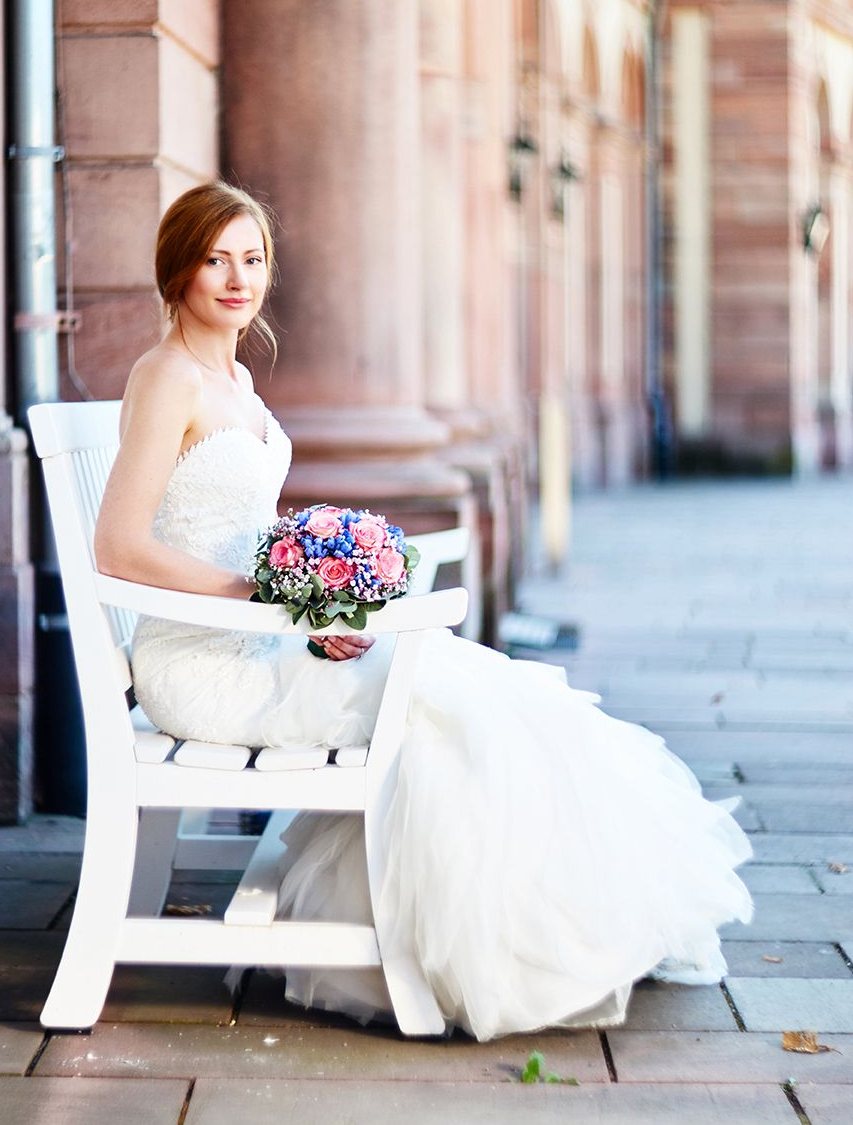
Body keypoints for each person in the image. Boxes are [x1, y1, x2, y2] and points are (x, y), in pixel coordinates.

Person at [95, 180, 753, 1042]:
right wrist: (267, 600)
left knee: (478, 685)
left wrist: (318, 596)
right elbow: (117, 547)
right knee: (450, 702)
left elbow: (237, 531)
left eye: (251, 258)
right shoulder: (167, 377)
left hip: (265, 643)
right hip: (206, 666)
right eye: (215, 258)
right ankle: (471, 950)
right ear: (176, 268)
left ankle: (547, 925)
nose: (236, 277)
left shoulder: (236, 379)